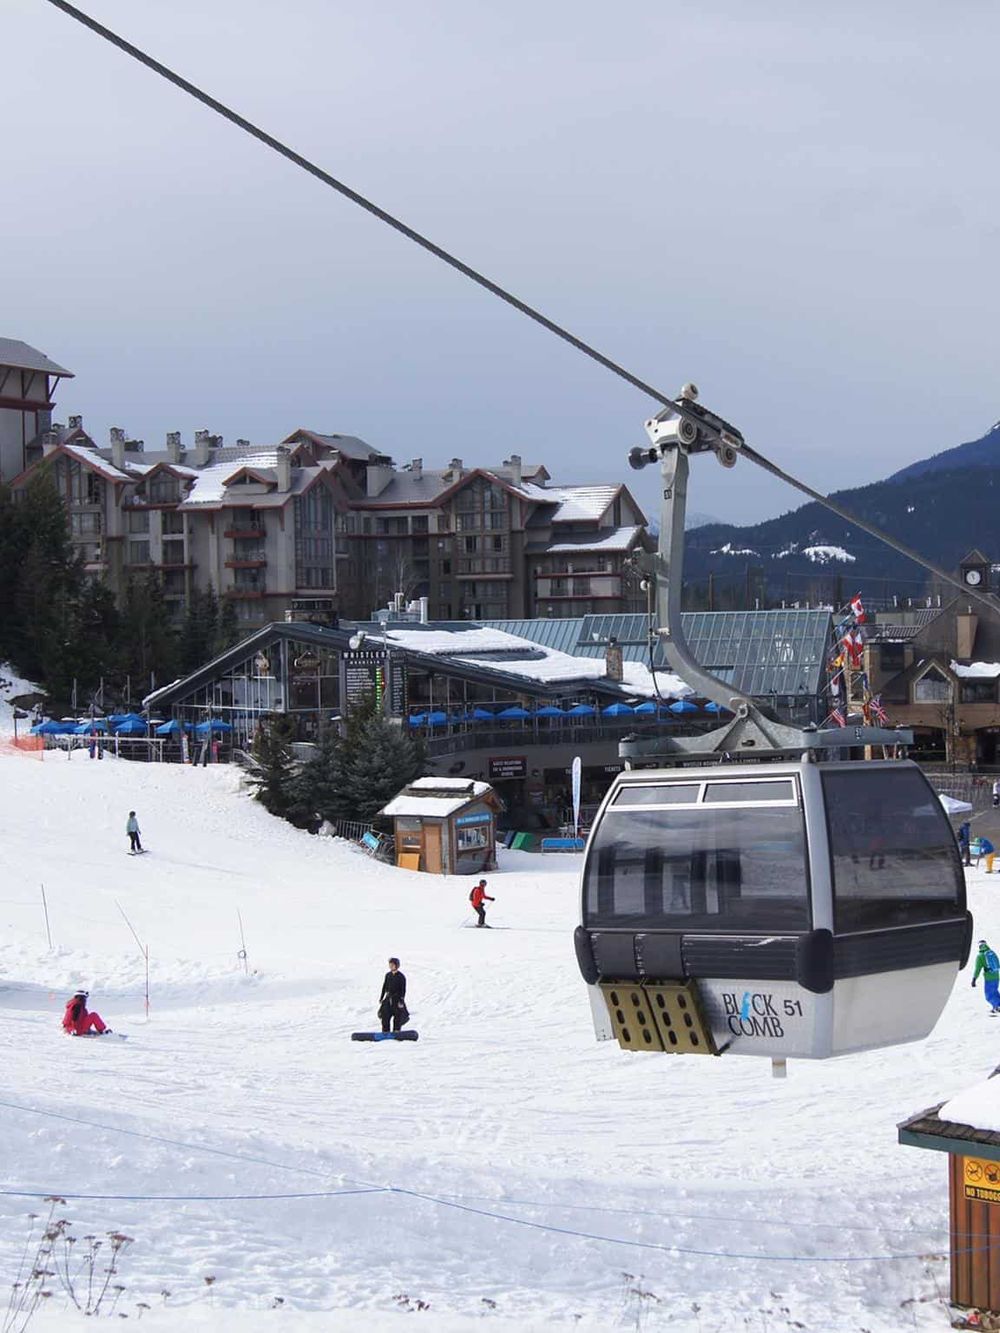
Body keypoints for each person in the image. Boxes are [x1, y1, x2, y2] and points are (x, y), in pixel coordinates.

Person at [378, 958, 408, 1033]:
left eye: (392, 965)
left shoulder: (401, 977)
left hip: (397, 999)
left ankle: (396, 1031)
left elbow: (403, 989)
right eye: (390, 965)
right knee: (385, 1015)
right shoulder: (388, 975)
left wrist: (401, 999)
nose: (391, 966)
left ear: (397, 966)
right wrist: (381, 997)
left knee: (398, 1016)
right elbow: (384, 987)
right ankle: (385, 1032)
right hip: (388, 998)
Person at [972, 941, 1000, 1014]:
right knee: (995, 992)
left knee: (989, 995)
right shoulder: (992, 952)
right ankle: (996, 1007)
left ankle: (998, 1006)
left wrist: (974, 979)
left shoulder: (980, 956)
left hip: (989, 978)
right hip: (996, 976)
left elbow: (977, 969)